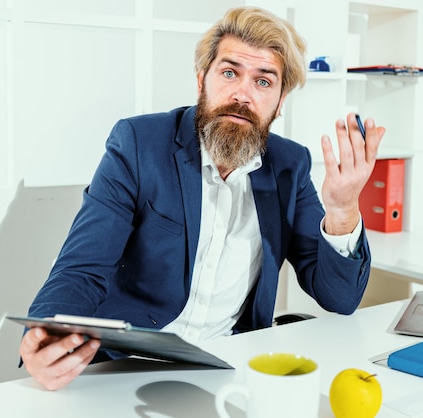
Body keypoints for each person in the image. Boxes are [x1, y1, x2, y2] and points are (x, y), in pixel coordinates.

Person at [19, 6, 385, 390]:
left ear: (279, 102)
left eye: (263, 82)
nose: (242, 94)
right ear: (201, 80)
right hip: (128, 368)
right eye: (229, 73)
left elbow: (339, 298)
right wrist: (49, 337)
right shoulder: (139, 145)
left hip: (228, 369)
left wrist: (343, 210)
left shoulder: (289, 166)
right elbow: (81, 270)